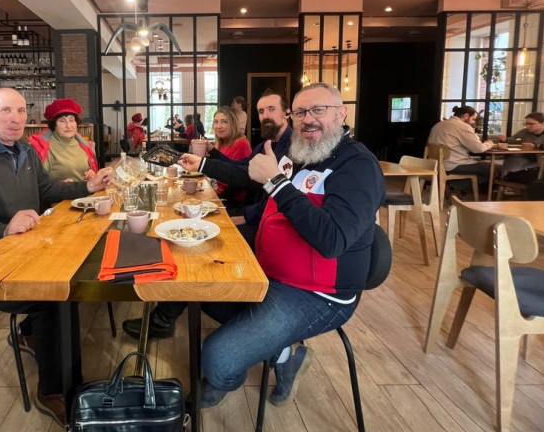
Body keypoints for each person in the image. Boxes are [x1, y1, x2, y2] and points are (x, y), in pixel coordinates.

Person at [0, 88, 112, 427]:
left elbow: (47, 189)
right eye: (5, 111)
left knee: (71, 277)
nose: (15, 118)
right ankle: (55, 391)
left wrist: (87, 188)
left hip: (20, 248)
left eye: (20, 111)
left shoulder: (25, 149)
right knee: (56, 296)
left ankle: (32, 335)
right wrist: (3, 229)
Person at [197, 83, 385, 408]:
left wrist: (276, 183)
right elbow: (248, 174)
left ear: (341, 113)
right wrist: (199, 165)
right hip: (269, 271)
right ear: (292, 117)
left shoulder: (358, 166)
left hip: (318, 294)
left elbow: (332, 240)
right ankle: (283, 352)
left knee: (216, 359)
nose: (308, 119)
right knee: (201, 288)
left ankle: (245, 363)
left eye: (318, 110)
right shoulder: (300, 152)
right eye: (300, 112)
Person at [121, 90, 292, 340]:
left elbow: (266, 193)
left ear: (287, 112)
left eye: (271, 109)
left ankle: (172, 312)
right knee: (188, 233)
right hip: (254, 213)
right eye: (261, 111)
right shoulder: (265, 146)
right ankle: (169, 308)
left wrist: (244, 215)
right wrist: (203, 162)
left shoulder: (291, 149)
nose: (265, 115)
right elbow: (240, 169)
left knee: (195, 242)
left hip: (265, 224)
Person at [426, 105, 494, 194]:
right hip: (453, 165)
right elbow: (478, 149)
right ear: (466, 116)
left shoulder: (439, 124)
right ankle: (453, 187)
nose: (473, 122)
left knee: (484, 168)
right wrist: (489, 143)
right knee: (492, 169)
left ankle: (451, 185)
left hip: (436, 164)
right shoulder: (462, 126)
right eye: (473, 119)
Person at [29, 98, 97, 181]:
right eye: (62, 121)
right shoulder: (43, 147)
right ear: (54, 125)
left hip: (86, 189)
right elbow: (39, 181)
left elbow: (89, 170)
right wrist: (61, 185)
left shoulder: (85, 145)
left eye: (71, 120)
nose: (68, 125)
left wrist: (92, 174)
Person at [496, 112, 544, 183]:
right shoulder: (525, 132)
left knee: (518, 165)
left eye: (531, 124)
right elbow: (514, 140)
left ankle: (509, 181)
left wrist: (537, 146)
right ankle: (505, 180)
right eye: (526, 124)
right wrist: (505, 140)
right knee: (512, 159)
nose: (527, 126)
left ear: (543, 124)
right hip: (532, 159)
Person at [209, 106, 252, 203]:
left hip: (234, 201)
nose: (218, 126)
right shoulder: (222, 142)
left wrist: (218, 199)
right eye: (216, 122)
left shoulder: (241, 144)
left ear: (233, 124)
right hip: (220, 192)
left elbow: (239, 182)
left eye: (224, 122)